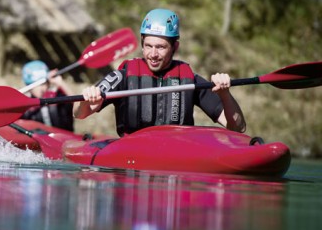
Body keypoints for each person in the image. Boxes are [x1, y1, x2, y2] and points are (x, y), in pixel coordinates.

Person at [73, 8, 246, 136]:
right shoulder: (124, 76)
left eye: (161, 47)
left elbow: (238, 127)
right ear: (142, 43)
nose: (153, 54)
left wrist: (225, 95)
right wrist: (85, 100)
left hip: (176, 156)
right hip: (133, 156)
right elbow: (79, 114)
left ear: (175, 47)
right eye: (148, 46)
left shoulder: (189, 79)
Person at [20, 60, 75, 132]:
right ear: (29, 87)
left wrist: (61, 83)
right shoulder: (25, 107)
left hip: (65, 140)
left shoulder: (58, 98)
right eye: (38, 85)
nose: (43, 88)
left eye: (45, 84)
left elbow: (78, 103)